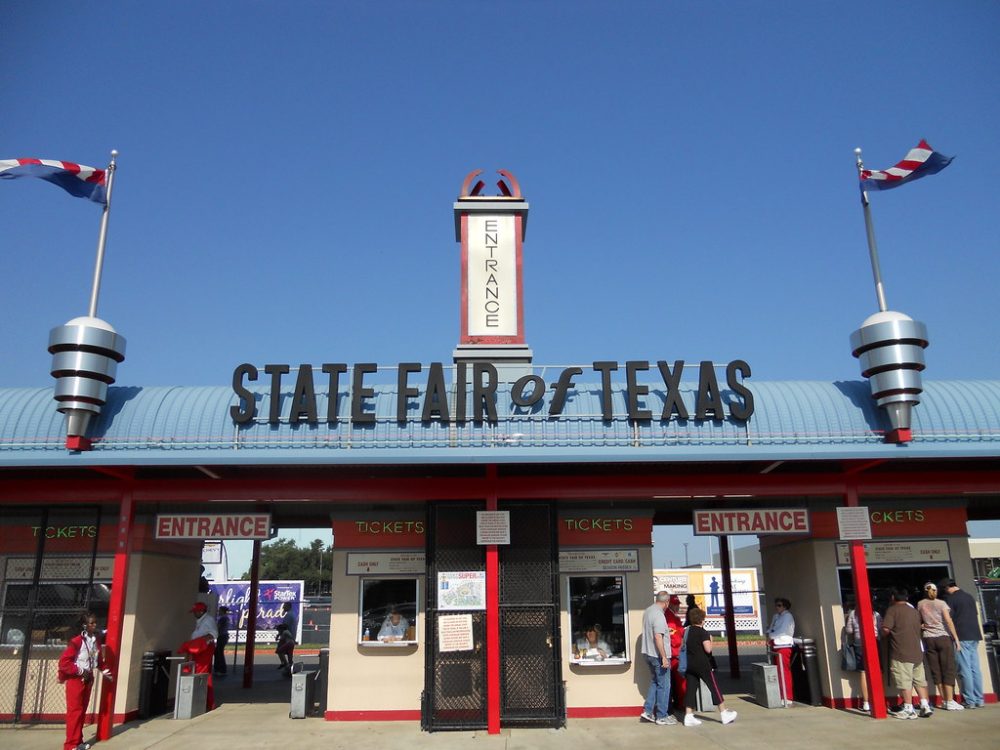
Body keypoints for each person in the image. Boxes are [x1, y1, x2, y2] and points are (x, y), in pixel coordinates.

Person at [58, 612, 112, 750]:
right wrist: (80, 671)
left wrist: (104, 670)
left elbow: (97, 659)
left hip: (88, 679)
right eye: (91, 623)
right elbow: (64, 662)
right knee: (74, 712)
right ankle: (70, 744)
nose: (94, 625)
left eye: (95, 623)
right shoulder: (77, 641)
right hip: (76, 680)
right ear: (84, 625)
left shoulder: (94, 641)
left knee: (81, 712)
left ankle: (78, 741)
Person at [883, 586, 933, 719]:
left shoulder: (892, 610)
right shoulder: (914, 611)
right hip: (917, 652)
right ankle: (925, 705)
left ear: (893, 597)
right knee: (920, 680)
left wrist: (881, 633)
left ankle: (909, 708)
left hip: (901, 652)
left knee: (904, 681)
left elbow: (886, 628)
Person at [681, 607, 737, 726]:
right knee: (714, 687)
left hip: (690, 664)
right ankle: (723, 713)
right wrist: (711, 640)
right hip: (702, 664)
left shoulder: (687, 631)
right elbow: (708, 649)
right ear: (701, 620)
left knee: (691, 689)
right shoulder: (703, 632)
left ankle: (688, 715)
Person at [940, 578, 985, 708]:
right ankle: (979, 699)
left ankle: (969, 700)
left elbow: (949, 619)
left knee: (964, 669)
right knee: (975, 668)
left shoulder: (951, 599)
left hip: (961, 637)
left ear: (947, 588)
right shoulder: (969, 597)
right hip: (974, 635)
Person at [917, 581, 962, 710]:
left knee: (935, 670)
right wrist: (956, 640)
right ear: (936, 591)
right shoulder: (941, 603)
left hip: (928, 638)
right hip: (943, 637)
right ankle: (949, 700)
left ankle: (943, 699)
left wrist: (923, 626)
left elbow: (919, 621)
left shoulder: (920, 604)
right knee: (948, 668)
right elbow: (948, 621)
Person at [639, 591, 675, 725]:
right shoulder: (659, 615)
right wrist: (664, 657)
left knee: (655, 682)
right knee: (664, 686)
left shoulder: (648, 611)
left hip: (647, 653)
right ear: (667, 602)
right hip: (658, 655)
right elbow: (658, 636)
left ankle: (648, 711)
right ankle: (661, 716)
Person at [842, 596, 881, 711]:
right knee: (876, 671)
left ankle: (866, 702)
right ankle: (879, 699)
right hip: (874, 641)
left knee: (863, 672)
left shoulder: (853, 613)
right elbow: (879, 628)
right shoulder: (876, 614)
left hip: (859, 643)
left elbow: (849, 631)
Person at [179, 601, 217, 711]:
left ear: (201, 611)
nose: (194, 614)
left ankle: (206, 702)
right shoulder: (201, 620)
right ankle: (205, 701)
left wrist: (201, 643)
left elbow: (213, 634)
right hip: (199, 649)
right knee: (199, 672)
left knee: (202, 673)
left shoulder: (208, 620)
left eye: (195, 612)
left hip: (204, 649)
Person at [766, 597, 795, 702]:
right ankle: (781, 695)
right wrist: (769, 633)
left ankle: (787, 696)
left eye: (779, 605)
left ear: (785, 606)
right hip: (776, 644)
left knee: (784, 671)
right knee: (778, 671)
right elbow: (771, 628)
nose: (777, 607)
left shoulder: (787, 617)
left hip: (783, 645)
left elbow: (782, 631)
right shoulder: (777, 616)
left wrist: (771, 636)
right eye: (776, 605)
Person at [664, 595, 687, 710]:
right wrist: (678, 652)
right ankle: (681, 704)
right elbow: (674, 638)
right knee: (680, 681)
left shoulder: (673, 617)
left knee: (675, 682)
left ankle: (678, 703)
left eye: (678, 604)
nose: (677, 606)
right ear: (669, 604)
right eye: (675, 604)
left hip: (674, 654)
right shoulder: (670, 618)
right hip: (674, 655)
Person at [275, 601, 297, 672]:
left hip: (287, 637)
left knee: (279, 650)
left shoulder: (289, 615)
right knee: (289, 655)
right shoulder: (293, 614)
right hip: (292, 637)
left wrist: (278, 627)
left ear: (288, 606)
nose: (283, 607)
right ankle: (290, 669)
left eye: (284, 606)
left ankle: (285, 663)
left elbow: (285, 626)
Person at [214, 605, 230, 676]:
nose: (218, 612)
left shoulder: (223, 618)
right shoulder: (226, 618)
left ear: (222, 611)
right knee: (217, 652)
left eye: (219, 610)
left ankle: (222, 669)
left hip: (222, 636)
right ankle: (218, 668)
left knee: (219, 652)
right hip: (223, 636)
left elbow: (218, 627)